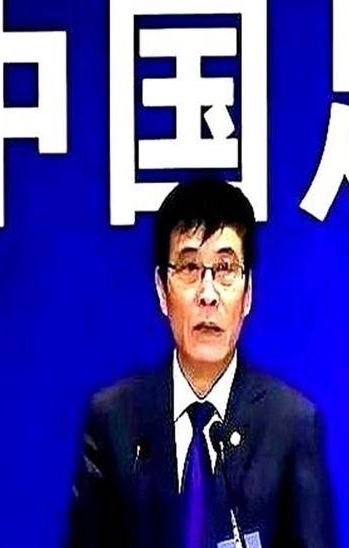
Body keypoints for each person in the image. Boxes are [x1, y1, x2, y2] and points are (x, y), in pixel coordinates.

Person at [68, 179, 335, 548]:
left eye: (225, 268)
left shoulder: (290, 424)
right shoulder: (114, 420)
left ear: (248, 293)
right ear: (162, 290)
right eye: (190, 268)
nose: (208, 294)